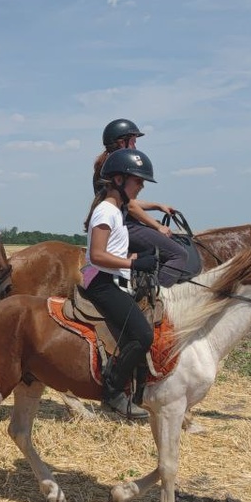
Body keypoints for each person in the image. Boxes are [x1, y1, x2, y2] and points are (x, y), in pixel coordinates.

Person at [81, 148, 159, 420]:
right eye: (137, 180)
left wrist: (136, 258)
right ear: (118, 181)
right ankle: (112, 392)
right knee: (143, 336)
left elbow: (110, 251)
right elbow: (97, 255)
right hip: (101, 282)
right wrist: (134, 264)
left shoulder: (116, 210)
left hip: (113, 277)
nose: (141, 186)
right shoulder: (106, 211)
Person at [92, 119, 191, 288]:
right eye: (133, 141)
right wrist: (157, 226)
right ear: (122, 141)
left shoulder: (109, 164)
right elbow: (130, 206)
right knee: (179, 254)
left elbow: (130, 201)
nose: (135, 146)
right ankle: (160, 295)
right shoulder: (115, 166)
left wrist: (157, 206)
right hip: (125, 224)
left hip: (124, 221)